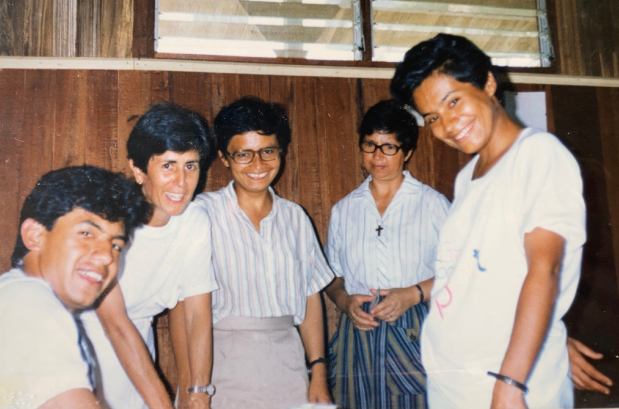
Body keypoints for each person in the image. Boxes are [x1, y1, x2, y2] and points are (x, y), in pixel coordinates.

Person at [390, 33, 586, 408]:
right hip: (456, 382)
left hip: (504, 385)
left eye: (454, 101)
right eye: (433, 117)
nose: (447, 125)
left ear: (489, 83)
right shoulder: (468, 178)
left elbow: (545, 270)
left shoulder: (538, 155)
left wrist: (510, 383)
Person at [171, 96, 334, 409]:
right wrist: (193, 388)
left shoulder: (295, 217)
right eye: (244, 154)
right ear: (224, 158)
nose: (258, 165)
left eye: (268, 151)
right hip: (220, 365)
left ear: (280, 151)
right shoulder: (201, 214)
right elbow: (183, 312)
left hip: (288, 362)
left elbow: (311, 298)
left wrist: (318, 373)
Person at [80, 103, 218, 409]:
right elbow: (114, 323)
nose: (181, 182)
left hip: (138, 350)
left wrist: (197, 392)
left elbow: (197, 313)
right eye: (168, 165)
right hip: (80, 347)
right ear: (139, 170)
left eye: (191, 165)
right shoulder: (108, 218)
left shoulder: (195, 220)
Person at [325, 99, 451, 409]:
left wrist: (411, 294)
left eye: (389, 147)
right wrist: (344, 301)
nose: (378, 156)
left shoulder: (432, 204)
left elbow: (461, 271)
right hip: (358, 331)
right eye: (370, 145)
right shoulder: (344, 209)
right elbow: (331, 276)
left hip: (414, 328)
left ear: (407, 152)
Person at [0, 165, 147, 409]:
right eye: (87, 233)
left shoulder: (12, 295)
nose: (106, 257)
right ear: (35, 235)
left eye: (116, 245)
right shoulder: (33, 305)